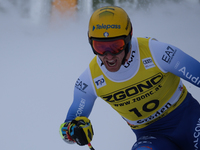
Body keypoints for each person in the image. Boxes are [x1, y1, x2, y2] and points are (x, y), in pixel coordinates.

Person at [59, 6, 200, 150]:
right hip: (152, 137)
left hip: (190, 121)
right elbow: (67, 128)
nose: (108, 56)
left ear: (129, 38)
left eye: (116, 46)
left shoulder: (156, 51)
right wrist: (73, 131)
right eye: (100, 47)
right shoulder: (89, 80)